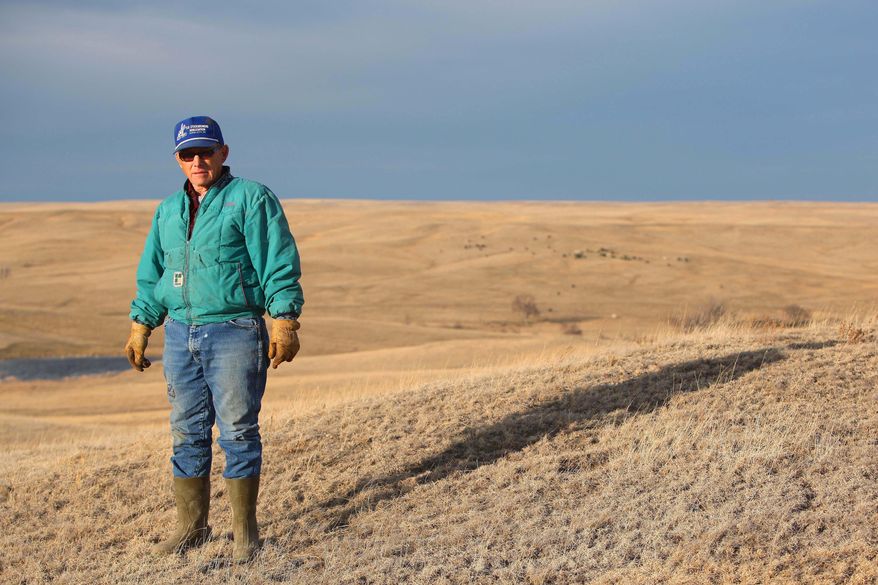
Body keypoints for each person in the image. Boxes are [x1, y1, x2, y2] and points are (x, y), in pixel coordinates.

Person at [124, 116, 304, 562]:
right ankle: (191, 528)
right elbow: (154, 274)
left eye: (206, 151)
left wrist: (284, 319)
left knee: (239, 432)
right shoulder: (167, 210)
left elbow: (277, 261)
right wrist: (141, 324)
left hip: (235, 330)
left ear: (224, 153)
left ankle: (245, 535)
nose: (198, 161)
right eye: (188, 154)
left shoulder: (251, 198)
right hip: (180, 333)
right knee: (186, 431)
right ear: (178, 160)